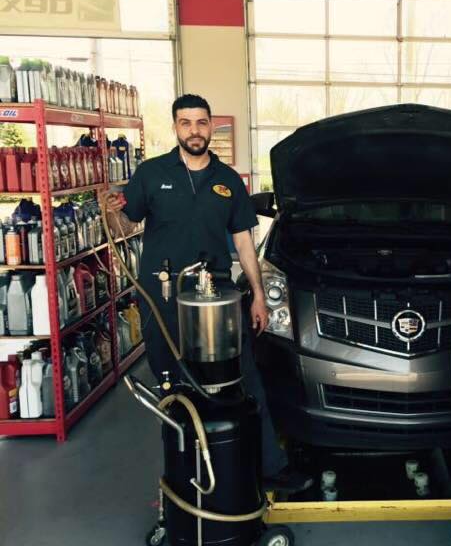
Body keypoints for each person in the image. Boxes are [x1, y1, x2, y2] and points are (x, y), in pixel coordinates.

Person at [102, 94, 311, 493]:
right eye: (186, 123)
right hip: (163, 297)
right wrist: (111, 210)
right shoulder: (151, 174)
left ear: (210, 126)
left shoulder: (228, 180)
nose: (194, 130)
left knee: (243, 377)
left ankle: (270, 466)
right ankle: (185, 476)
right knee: (172, 386)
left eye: (201, 122)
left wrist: (258, 295)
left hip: (217, 298)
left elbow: (244, 242)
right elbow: (126, 227)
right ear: (175, 127)